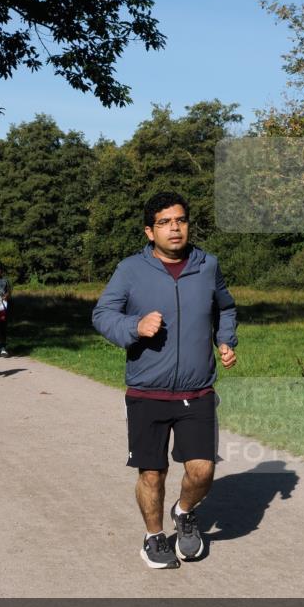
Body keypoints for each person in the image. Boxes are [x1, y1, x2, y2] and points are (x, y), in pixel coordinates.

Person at [92, 192, 237, 570]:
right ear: (149, 230)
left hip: (197, 388)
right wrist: (133, 327)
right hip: (147, 389)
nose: (175, 228)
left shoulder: (208, 265)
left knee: (202, 469)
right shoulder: (130, 270)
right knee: (152, 472)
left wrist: (225, 339)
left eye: (181, 220)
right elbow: (102, 313)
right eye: (165, 222)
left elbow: (226, 307)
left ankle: (184, 511)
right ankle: (154, 537)